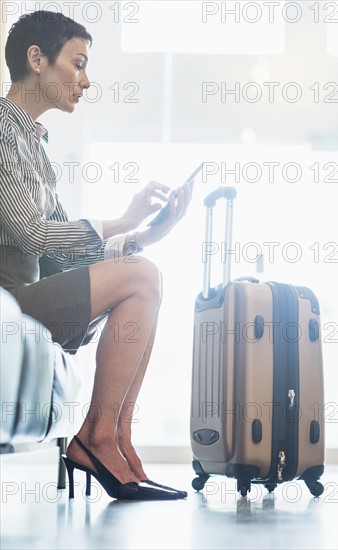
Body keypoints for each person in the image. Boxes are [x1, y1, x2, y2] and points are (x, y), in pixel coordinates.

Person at [0, 10, 193, 501]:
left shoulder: (35, 148)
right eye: (78, 63)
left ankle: (117, 438)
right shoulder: (2, 131)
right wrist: (125, 222)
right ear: (36, 59)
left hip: (31, 297)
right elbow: (32, 235)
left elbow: (67, 256)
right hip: (10, 302)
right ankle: (98, 439)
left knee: (147, 275)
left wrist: (145, 236)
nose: (86, 80)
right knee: (142, 278)